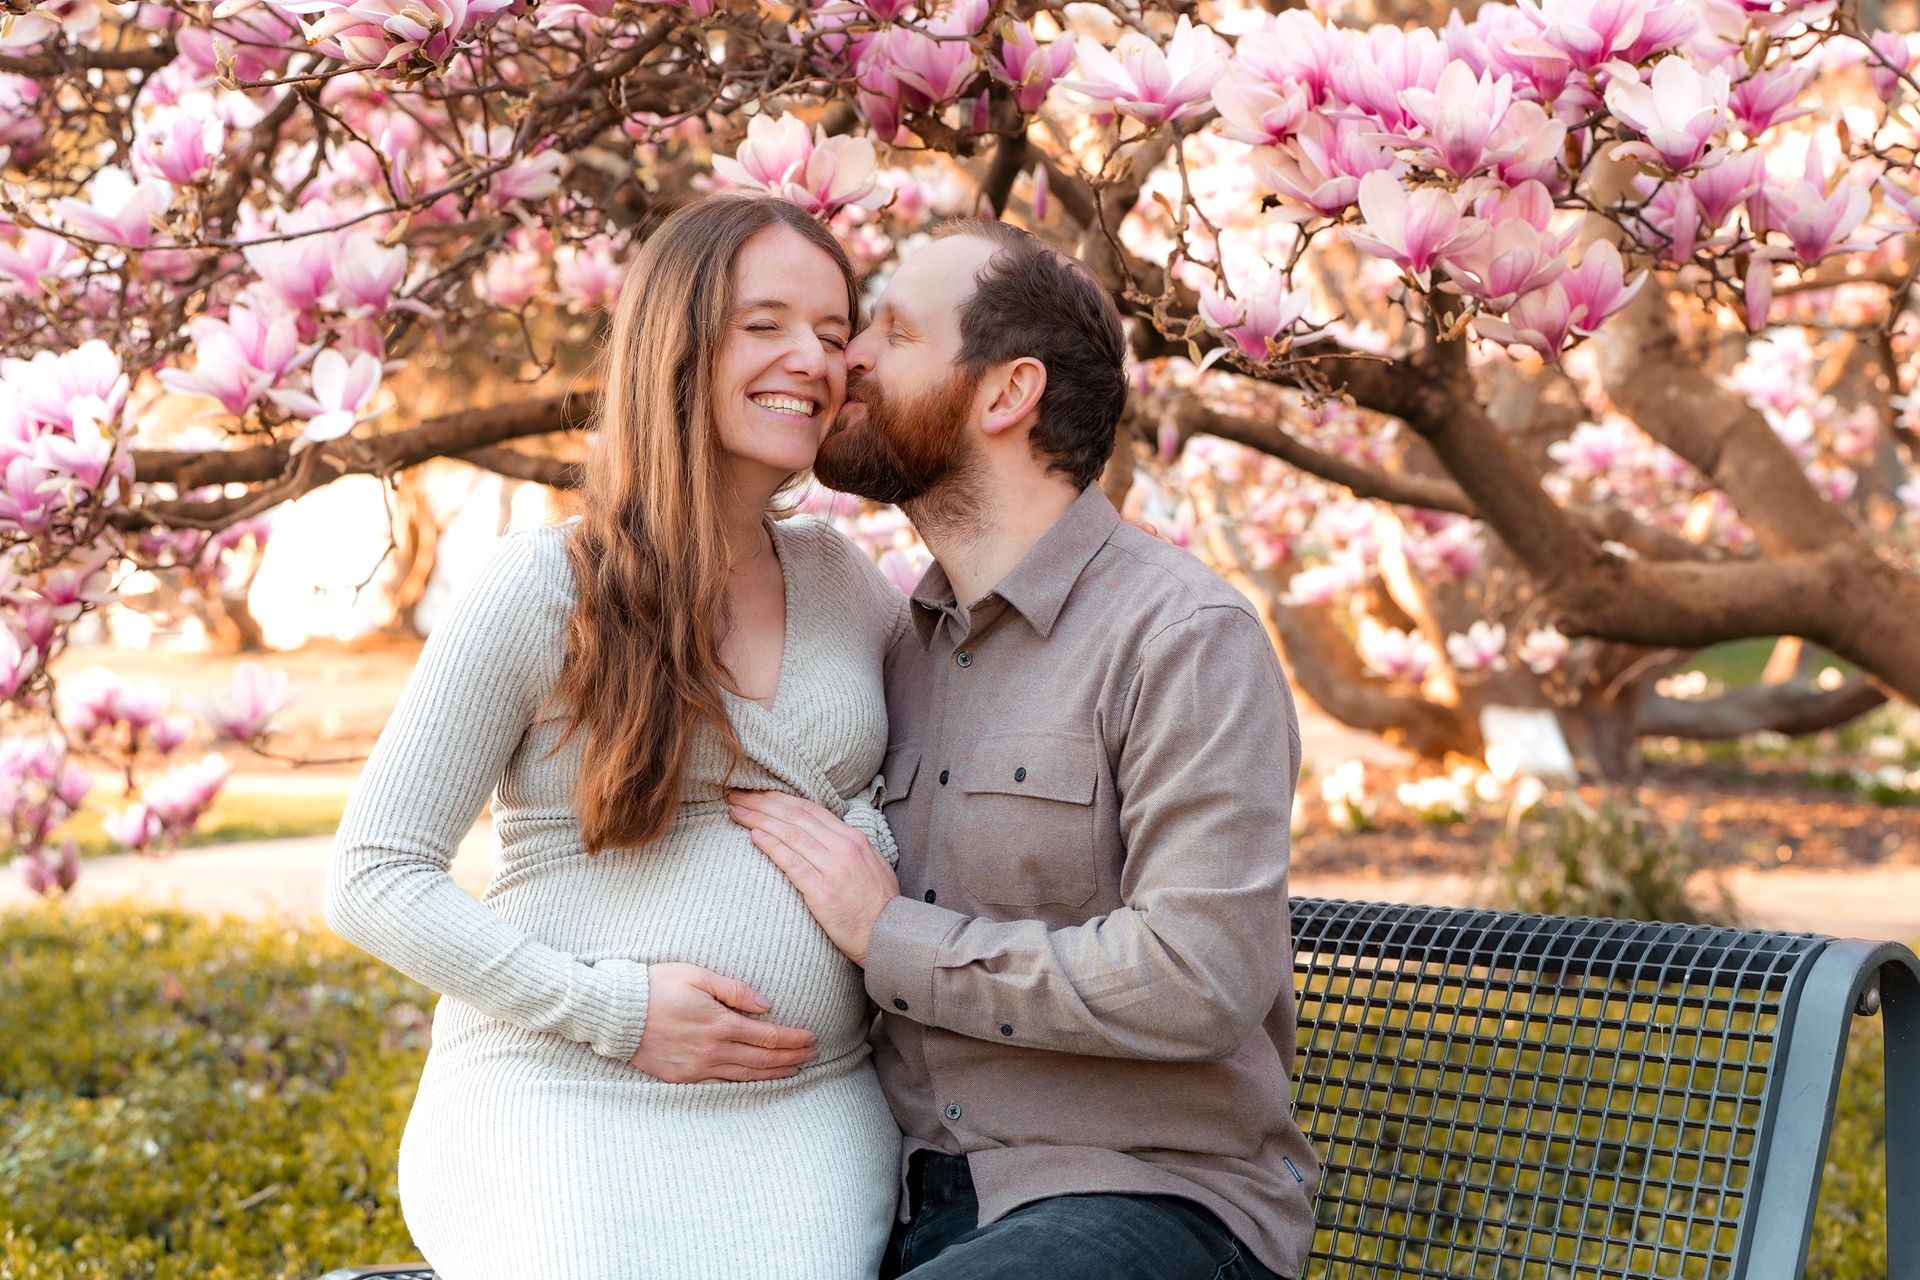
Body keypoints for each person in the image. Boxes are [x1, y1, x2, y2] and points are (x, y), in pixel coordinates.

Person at [324, 192, 909, 1280]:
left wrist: (866, 837)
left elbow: (928, 784)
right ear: (676, 341)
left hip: (803, 1108)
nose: (815, 360)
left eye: (834, 334)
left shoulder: (845, 582)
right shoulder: (544, 586)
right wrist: (618, 1011)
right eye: (767, 322)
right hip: (556, 1086)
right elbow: (373, 873)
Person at [726, 219, 1322, 1280]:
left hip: (1153, 1197)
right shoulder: (884, 648)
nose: (846, 358)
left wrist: (893, 934)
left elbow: (1199, 974)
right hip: (900, 1198)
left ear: (1005, 395)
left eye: (892, 331)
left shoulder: (1182, 640)